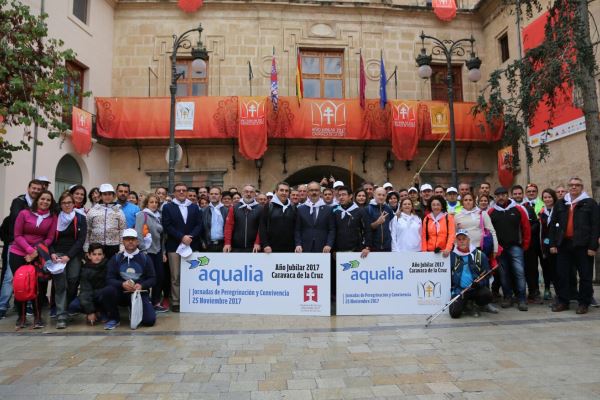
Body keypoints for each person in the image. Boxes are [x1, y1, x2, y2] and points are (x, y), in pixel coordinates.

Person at [549, 177, 599, 314]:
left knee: (585, 276)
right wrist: (552, 243)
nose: (574, 187)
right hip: (564, 244)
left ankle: (584, 303)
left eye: (577, 185)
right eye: (571, 185)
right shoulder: (561, 203)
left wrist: (593, 247)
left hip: (583, 245)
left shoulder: (590, 203)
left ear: (582, 187)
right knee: (562, 274)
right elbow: (553, 225)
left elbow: (596, 226)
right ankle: (563, 301)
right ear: (568, 187)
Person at [10, 190, 58, 328]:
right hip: (18, 253)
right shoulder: (24, 213)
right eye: (42, 199)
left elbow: (50, 237)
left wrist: (37, 251)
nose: (45, 202)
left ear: (51, 203)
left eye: (48, 200)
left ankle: (38, 317)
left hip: (39, 254)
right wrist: (30, 250)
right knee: (21, 285)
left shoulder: (52, 217)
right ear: (37, 200)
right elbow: (17, 235)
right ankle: (21, 317)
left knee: (39, 286)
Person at [0, 179, 43, 319]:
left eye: (39, 189)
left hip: (32, 246)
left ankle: (28, 305)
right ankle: (2, 306)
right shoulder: (18, 201)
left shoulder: (42, 204)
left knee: (30, 275)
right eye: (34, 188)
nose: (36, 191)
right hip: (17, 244)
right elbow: (15, 219)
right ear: (28, 188)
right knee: (10, 276)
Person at [99, 229, 156, 330]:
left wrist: (142, 285)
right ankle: (114, 318)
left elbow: (152, 279)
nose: (130, 241)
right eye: (127, 239)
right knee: (107, 291)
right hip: (121, 293)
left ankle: (134, 309)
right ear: (123, 241)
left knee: (149, 321)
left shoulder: (145, 258)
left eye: (133, 239)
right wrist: (122, 284)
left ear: (137, 241)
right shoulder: (116, 258)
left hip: (139, 294)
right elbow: (109, 279)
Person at [162, 182, 203, 313]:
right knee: (175, 276)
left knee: (192, 274)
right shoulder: (168, 207)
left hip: (191, 244)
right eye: (178, 190)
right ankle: (176, 301)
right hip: (174, 246)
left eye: (184, 190)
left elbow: (199, 225)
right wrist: (181, 237)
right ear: (174, 193)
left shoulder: (194, 207)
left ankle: (192, 299)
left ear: (187, 192)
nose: (181, 192)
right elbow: (167, 226)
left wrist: (190, 237)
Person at [488, 187, 530, 311]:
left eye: (503, 195)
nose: (501, 197)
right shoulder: (491, 212)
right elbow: (488, 231)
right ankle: (507, 297)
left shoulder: (518, 209)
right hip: (500, 249)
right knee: (504, 274)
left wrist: (525, 245)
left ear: (508, 195)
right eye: (498, 195)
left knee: (519, 273)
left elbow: (526, 227)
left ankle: (521, 299)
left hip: (515, 247)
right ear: (495, 198)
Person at [50, 192, 87, 329]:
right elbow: (49, 238)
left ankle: (67, 308)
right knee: (60, 285)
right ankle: (61, 316)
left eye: (69, 202)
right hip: (57, 255)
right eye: (64, 203)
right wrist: (52, 253)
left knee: (72, 282)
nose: (67, 205)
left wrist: (69, 256)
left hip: (73, 255)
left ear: (73, 204)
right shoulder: (54, 218)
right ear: (60, 204)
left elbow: (81, 240)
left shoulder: (80, 218)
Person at [449, 230, 493, 318]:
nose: (462, 241)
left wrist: (479, 283)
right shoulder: (452, 256)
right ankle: (467, 304)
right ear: (456, 242)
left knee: (487, 295)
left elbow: (487, 275)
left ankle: (476, 304)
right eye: (459, 239)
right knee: (454, 314)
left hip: (476, 289)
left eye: (464, 239)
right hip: (460, 290)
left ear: (469, 240)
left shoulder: (480, 255)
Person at [135, 194, 168, 313]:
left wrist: (163, 252)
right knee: (147, 277)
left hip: (158, 251)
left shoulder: (158, 216)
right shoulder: (142, 215)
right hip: (146, 252)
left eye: (156, 202)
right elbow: (138, 234)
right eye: (151, 202)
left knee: (159, 277)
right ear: (146, 203)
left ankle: (156, 302)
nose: (154, 204)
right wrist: (142, 249)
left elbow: (161, 237)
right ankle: (146, 302)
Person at [512, 185, 542, 303]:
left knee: (531, 269)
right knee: (516, 270)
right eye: (515, 194)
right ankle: (518, 293)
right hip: (514, 244)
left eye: (519, 193)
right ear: (512, 195)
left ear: (522, 194)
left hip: (529, 244)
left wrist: (526, 231)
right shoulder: (509, 208)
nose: (517, 196)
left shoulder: (528, 208)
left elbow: (536, 223)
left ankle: (534, 292)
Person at [85, 184, 126, 261]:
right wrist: (86, 247)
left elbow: (122, 230)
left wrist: (122, 246)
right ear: (100, 196)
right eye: (105, 194)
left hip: (113, 246)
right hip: (96, 246)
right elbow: (88, 230)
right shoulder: (93, 211)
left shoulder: (119, 211)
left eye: (109, 194)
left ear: (113, 196)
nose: (107, 196)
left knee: (112, 267)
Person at [69, 243, 107, 326]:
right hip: (90, 296)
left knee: (107, 293)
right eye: (94, 254)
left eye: (99, 254)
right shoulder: (85, 269)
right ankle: (94, 312)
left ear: (103, 256)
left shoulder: (108, 267)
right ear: (89, 256)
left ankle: (103, 312)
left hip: (103, 296)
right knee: (74, 305)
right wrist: (90, 311)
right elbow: (85, 291)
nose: (97, 257)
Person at [295, 182, 335, 253]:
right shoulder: (300, 209)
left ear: (320, 193)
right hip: (304, 247)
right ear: (307, 192)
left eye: (316, 190)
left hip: (323, 248)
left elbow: (332, 229)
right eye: (311, 190)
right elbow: (297, 229)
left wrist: (329, 244)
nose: (314, 192)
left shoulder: (328, 209)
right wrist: (298, 244)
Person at [455, 193, 498, 258]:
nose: (468, 202)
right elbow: (454, 234)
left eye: (470, 200)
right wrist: (456, 248)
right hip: (463, 249)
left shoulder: (482, 213)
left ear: (474, 201)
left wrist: (495, 249)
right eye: (466, 200)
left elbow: (492, 231)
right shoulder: (457, 216)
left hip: (479, 248)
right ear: (462, 202)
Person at [332, 186, 372, 256]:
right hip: (339, 251)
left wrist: (367, 247)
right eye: (339, 195)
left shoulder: (360, 211)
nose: (341, 197)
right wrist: (333, 249)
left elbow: (367, 230)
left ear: (350, 196)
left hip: (357, 251)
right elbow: (333, 231)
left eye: (344, 195)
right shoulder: (336, 212)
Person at [223, 184, 262, 253]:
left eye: (251, 192)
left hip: (254, 247)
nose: (248, 194)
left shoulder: (260, 208)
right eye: (246, 192)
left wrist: (257, 242)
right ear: (242, 193)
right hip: (236, 247)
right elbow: (229, 226)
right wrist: (227, 243)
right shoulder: (234, 208)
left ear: (255, 194)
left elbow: (261, 227)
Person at [259, 182, 297, 253]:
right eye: (281, 190)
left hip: (290, 248)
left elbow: (296, 227)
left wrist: (297, 244)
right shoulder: (268, 206)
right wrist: (265, 244)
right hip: (271, 249)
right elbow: (262, 227)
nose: (284, 193)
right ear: (276, 191)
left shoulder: (293, 207)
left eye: (286, 191)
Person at [539, 188, 558, 301]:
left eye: (549, 197)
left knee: (557, 270)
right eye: (545, 197)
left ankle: (559, 292)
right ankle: (547, 289)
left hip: (557, 245)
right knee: (546, 267)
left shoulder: (558, 210)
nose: (547, 199)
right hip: (545, 244)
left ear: (553, 198)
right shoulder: (541, 212)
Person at [202, 187, 229, 252]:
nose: (213, 195)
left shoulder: (227, 210)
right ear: (208, 196)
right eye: (211, 194)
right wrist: (202, 241)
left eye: (216, 194)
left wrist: (228, 243)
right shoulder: (203, 211)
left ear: (220, 196)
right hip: (208, 245)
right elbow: (201, 228)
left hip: (223, 245)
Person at [366, 187, 394, 251]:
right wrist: (378, 222)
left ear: (386, 196)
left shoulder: (388, 209)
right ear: (374, 195)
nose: (381, 197)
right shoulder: (368, 209)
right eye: (379, 195)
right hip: (373, 247)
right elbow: (367, 228)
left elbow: (392, 226)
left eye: (383, 195)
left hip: (387, 246)